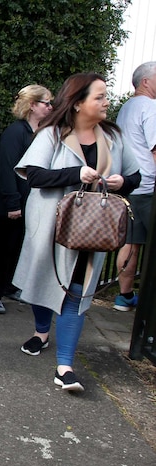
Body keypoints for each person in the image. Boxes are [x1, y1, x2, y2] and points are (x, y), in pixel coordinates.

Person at [13, 73, 140, 391]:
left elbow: (135, 176)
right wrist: (75, 173)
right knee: (44, 281)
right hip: (52, 227)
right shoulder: (52, 134)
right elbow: (34, 176)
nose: (106, 101)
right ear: (78, 102)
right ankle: (42, 331)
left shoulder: (113, 136)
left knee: (78, 291)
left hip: (93, 229)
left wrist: (121, 182)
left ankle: (65, 366)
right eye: (99, 96)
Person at [0, 85, 54, 315]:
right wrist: (13, 204)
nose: (51, 107)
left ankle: (9, 287)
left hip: (27, 203)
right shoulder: (15, 132)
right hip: (7, 206)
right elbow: (7, 170)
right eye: (46, 103)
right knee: (2, 251)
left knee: (16, 248)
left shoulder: (42, 132)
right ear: (32, 105)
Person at [113, 62, 156, 312]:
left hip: (128, 185)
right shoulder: (150, 107)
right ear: (145, 82)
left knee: (130, 243)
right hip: (148, 186)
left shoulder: (126, 108)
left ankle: (124, 296)